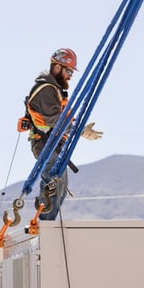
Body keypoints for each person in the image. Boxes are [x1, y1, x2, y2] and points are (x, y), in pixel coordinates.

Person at [22, 47, 103, 220]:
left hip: (52, 145)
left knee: (59, 186)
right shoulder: (46, 90)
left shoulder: (55, 90)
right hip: (45, 144)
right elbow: (56, 122)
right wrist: (81, 131)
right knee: (54, 184)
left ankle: (46, 224)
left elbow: (61, 120)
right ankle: (45, 226)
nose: (71, 76)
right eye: (69, 71)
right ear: (57, 67)